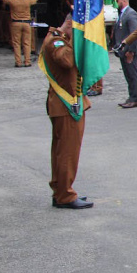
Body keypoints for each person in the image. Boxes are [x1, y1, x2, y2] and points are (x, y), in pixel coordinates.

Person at [40, 14, 93, 209]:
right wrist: (76, 40)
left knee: (62, 151)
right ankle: (65, 195)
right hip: (65, 105)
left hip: (65, 104)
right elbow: (67, 61)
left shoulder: (59, 39)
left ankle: (61, 190)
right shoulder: (56, 41)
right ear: (70, 24)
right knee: (67, 153)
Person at [111, 0, 137, 108]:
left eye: (117, 1)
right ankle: (131, 97)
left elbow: (134, 34)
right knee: (128, 75)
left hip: (129, 50)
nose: (116, 3)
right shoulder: (122, 14)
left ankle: (134, 99)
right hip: (123, 50)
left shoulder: (131, 14)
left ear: (123, 1)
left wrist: (131, 51)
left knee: (132, 74)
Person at [2, 0, 38, 67]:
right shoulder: (27, 0)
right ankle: (27, 61)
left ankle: (18, 62)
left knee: (16, 43)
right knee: (27, 43)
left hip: (16, 23)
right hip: (26, 23)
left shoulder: (12, 0)